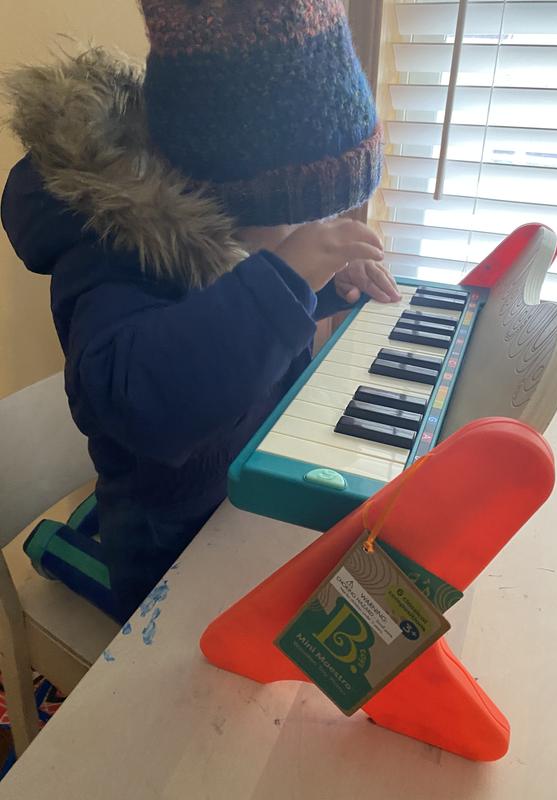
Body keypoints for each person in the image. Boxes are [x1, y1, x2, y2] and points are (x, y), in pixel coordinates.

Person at [1, 0, 400, 622]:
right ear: (225, 192)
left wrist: (319, 284)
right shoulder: (112, 249)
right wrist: (284, 277)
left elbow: (236, 312)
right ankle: (66, 551)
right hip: (165, 536)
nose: (308, 230)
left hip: (240, 486)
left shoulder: (232, 216)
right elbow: (137, 394)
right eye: (295, 217)